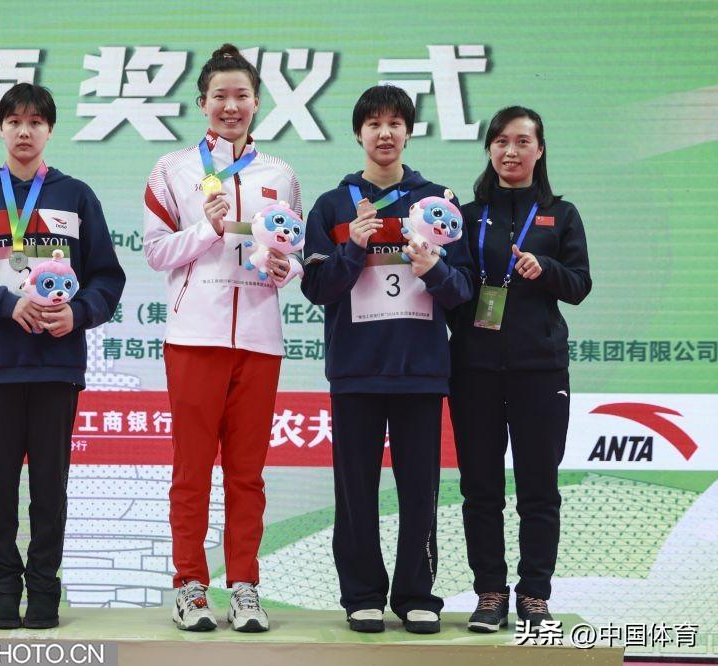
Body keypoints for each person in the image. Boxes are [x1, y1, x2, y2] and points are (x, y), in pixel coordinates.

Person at [0, 83, 125, 629]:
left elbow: (107, 278)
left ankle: (43, 592)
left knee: (49, 487)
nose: (25, 131)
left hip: (56, 366)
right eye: (14, 121)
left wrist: (77, 314)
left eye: (35, 122)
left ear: (50, 130)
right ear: (0, 128)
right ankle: (2, 591)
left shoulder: (77, 196)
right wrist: (5, 303)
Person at [143, 43, 303, 633]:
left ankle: (244, 587)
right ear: (203, 103)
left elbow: (296, 253)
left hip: (260, 340)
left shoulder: (280, 175)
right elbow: (156, 252)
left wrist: (287, 269)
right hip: (194, 337)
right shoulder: (172, 170)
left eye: (241, 96)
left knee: (247, 475)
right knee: (191, 472)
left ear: (257, 102)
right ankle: (190, 586)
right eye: (220, 96)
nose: (230, 106)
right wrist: (206, 230)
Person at [301, 85, 472, 634]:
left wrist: (434, 269)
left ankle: (417, 593)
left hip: (420, 370)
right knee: (355, 491)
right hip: (355, 370)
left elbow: (464, 291)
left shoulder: (438, 202)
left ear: (408, 133)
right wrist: (353, 247)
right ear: (358, 133)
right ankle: (362, 595)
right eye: (373, 123)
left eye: (395, 123)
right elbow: (316, 288)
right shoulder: (332, 206)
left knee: (420, 490)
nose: (384, 133)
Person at [449, 106, 592, 632]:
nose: (511, 151)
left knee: (539, 490)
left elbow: (579, 285)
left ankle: (534, 594)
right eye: (501, 141)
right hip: (473, 369)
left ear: (539, 149)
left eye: (522, 141)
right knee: (479, 490)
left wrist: (545, 268)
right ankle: (490, 592)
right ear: (489, 148)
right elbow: (450, 288)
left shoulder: (561, 214)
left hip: (540, 370)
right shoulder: (465, 215)